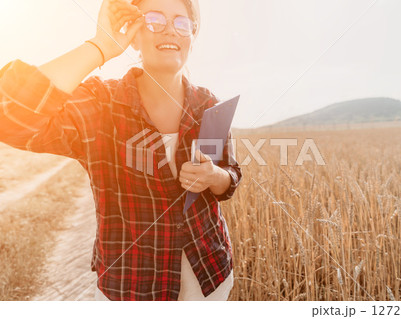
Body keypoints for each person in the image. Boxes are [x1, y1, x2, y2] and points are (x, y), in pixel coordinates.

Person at [0, 0, 242, 301]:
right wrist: (101, 45)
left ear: (192, 35)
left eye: (181, 23)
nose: (169, 30)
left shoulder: (209, 105)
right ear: (134, 33)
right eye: (154, 20)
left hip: (211, 277)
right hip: (132, 288)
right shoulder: (102, 104)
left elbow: (230, 175)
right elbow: (8, 114)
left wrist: (214, 176)